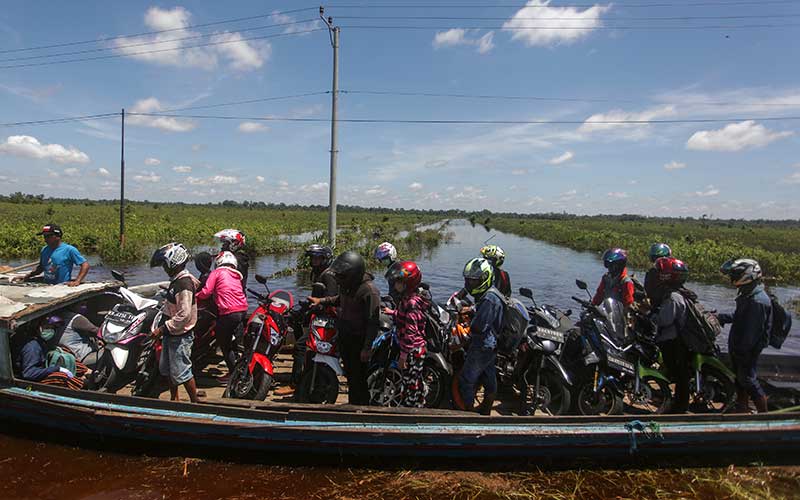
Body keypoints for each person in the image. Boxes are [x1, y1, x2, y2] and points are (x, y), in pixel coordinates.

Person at [308, 251, 380, 405]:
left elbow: (372, 322)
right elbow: (339, 300)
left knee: (359, 378)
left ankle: (361, 407)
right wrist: (321, 300)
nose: (339, 279)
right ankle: (353, 403)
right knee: (351, 376)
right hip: (345, 337)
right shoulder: (348, 287)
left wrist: (367, 348)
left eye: (342, 276)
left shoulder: (368, 291)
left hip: (358, 340)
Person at [274, 244, 338, 397]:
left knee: (300, 347)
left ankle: (295, 384)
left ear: (325, 259)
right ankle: (307, 377)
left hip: (327, 320)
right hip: (319, 317)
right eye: (313, 258)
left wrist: (315, 307)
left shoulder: (328, 276)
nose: (314, 261)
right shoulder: (318, 273)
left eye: (317, 258)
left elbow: (330, 300)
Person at [717, 258, 772, 413]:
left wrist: (741, 351)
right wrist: (722, 317)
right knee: (740, 380)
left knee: (748, 380)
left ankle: (764, 416)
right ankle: (742, 409)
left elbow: (752, 331)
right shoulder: (748, 293)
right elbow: (739, 315)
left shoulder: (757, 301)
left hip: (747, 348)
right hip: (740, 344)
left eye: (734, 274)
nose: (731, 278)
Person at [149, 242, 201, 403]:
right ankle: (174, 398)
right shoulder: (176, 281)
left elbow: (184, 314)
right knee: (170, 369)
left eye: (165, 264)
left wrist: (164, 328)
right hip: (171, 332)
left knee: (182, 371)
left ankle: (194, 402)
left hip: (181, 334)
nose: (164, 268)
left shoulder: (183, 284)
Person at [457, 258, 504, 415]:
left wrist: (465, 329)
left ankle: (469, 415)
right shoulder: (491, 293)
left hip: (483, 344)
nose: (470, 284)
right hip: (492, 343)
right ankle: (486, 411)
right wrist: (471, 309)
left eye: (473, 281)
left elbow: (478, 327)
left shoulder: (489, 299)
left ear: (484, 279)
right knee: (488, 376)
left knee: (466, 380)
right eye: (468, 281)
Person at [381, 261, 430, 408]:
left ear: (408, 283)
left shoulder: (412, 303)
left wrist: (403, 355)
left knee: (411, 383)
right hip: (411, 348)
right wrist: (393, 313)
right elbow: (405, 316)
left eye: (399, 282)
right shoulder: (407, 300)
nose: (396, 285)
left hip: (412, 350)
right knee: (412, 380)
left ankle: (411, 410)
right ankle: (418, 404)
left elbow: (411, 332)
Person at [195, 251, 248, 382]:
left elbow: (206, 292)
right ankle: (239, 366)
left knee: (224, 343)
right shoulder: (236, 275)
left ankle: (232, 373)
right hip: (243, 311)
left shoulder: (216, 273)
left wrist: (194, 297)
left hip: (229, 312)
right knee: (230, 338)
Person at [650, 257, 690, 413]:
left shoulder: (673, 297)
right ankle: (677, 403)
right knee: (680, 375)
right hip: (677, 339)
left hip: (673, 341)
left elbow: (664, 320)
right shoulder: (680, 293)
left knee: (680, 375)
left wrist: (650, 315)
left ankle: (679, 406)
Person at [15, 316, 87, 390]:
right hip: (33, 379)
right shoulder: (32, 347)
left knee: (67, 354)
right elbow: (29, 373)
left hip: (44, 367)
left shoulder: (42, 342)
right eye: (46, 327)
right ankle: (81, 386)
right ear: (37, 328)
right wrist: (56, 369)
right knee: (61, 377)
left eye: (52, 328)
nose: (50, 330)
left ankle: (87, 373)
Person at [20, 224, 89, 286]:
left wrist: (77, 281)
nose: (45, 239)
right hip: (47, 285)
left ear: (58, 236)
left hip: (62, 285)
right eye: (44, 236)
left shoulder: (69, 250)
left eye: (48, 236)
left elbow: (85, 265)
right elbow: (41, 267)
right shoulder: (44, 249)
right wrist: (28, 276)